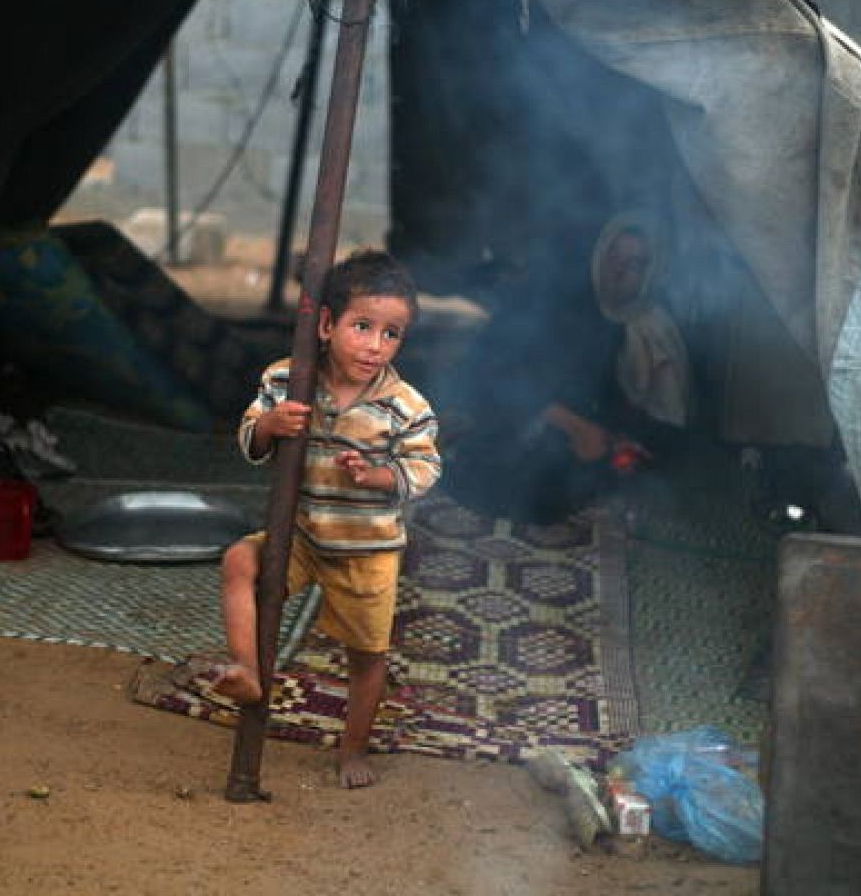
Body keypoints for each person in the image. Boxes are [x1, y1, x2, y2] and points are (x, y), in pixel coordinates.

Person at [215, 249, 441, 788]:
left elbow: (426, 467)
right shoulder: (287, 378)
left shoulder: (406, 406)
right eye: (362, 327)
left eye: (392, 334)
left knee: (366, 655)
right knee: (239, 560)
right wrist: (271, 424)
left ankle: (353, 750)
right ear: (325, 324)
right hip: (302, 534)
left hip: (368, 550)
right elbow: (249, 438)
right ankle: (247, 670)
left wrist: (379, 476)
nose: (375, 345)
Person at [441, 208, 688, 523]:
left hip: (584, 436)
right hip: (522, 410)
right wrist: (575, 425)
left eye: (634, 265)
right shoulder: (568, 302)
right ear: (601, 254)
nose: (618, 271)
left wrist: (617, 440)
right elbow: (504, 370)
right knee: (524, 489)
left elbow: (662, 417)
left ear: (650, 274)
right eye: (614, 256)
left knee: (574, 487)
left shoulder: (651, 330)